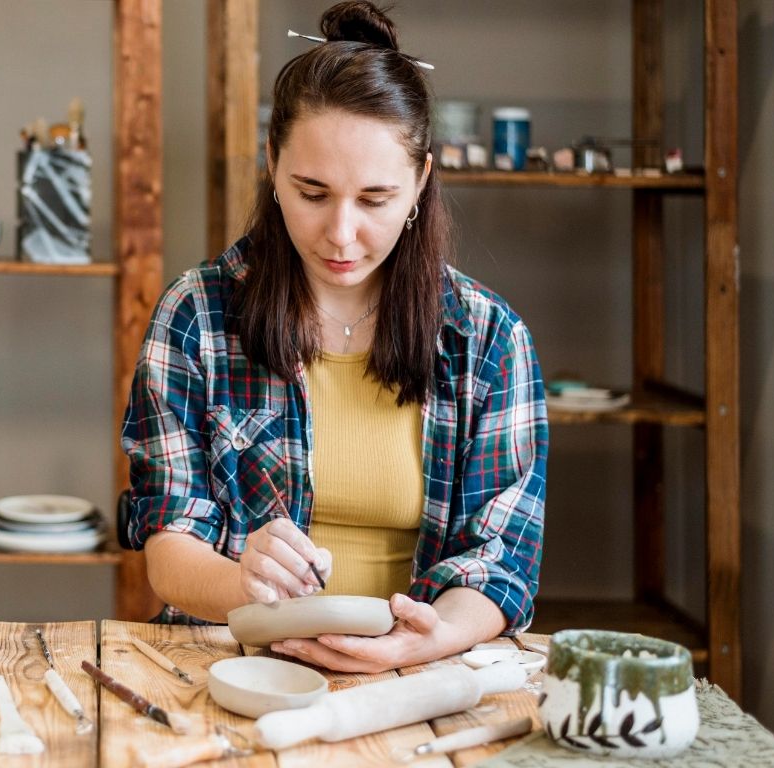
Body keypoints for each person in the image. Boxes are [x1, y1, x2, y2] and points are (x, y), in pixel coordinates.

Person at [120, 0, 547, 673]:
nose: (342, 234)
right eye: (312, 192)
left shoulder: (488, 337)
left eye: (375, 199)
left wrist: (426, 640)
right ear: (271, 163)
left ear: (420, 182)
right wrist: (243, 585)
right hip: (233, 660)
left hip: (418, 673)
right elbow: (169, 543)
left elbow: (503, 559)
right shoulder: (196, 315)